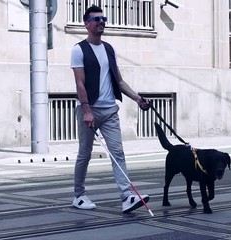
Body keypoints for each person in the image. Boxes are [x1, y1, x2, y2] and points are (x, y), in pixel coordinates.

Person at [70, 5, 151, 213]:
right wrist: (86, 109)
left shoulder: (109, 49)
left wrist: (137, 98)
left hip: (109, 111)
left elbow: (119, 81)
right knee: (85, 154)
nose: (101, 22)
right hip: (89, 110)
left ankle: (126, 197)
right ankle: (79, 195)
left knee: (118, 153)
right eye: (96, 19)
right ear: (86, 24)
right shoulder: (79, 50)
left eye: (103, 18)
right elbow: (80, 83)